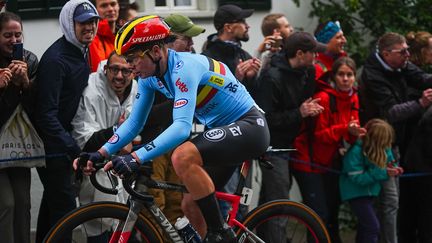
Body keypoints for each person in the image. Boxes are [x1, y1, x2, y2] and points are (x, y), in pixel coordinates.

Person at [75, 15, 270, 243]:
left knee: (182, 156)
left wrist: (135, 158)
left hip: (250, 126)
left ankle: (221, 234)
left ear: (156, 51)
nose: (130, 66)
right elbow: (134, 123)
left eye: (133, 58)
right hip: (224, 131)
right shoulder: (150, 77)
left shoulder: (184, 68)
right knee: (189, 202)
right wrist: (101, 153)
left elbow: (181, 128)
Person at [33, 1, 100, 242]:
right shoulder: (56, 60)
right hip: (53, 150)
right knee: (65, 213)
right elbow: (46, 115)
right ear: (69, 24)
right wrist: (72, 149)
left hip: (65, 144)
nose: (90, 27)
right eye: (83, 22)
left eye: (93, 21)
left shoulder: (80, 50)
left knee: (52, 208)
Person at [359, 32, 432, 243]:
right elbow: (390, 112)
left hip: (394, 143)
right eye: (403, 52)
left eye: (408, 49)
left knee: (392, 202)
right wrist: (421, 104)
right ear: (386, 54)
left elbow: (421, 78)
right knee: (387, 202)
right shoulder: (373, 75)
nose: (408, 55)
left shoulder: (399, 63)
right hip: (376, 145)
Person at [255, 31, 326, 242]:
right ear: (300, 53)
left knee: (270, 198)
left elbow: (304, 102)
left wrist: (309, 111)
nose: (317, 57)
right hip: (273, 146)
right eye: (313, 53)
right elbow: (265, 119)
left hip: (294, 143)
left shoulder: (308, 71)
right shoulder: (271, 77)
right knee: (280, 203)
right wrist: (300, 113)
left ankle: (262, 237)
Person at [292, 56, 366, 243]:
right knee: (318, 215)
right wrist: (345, 129)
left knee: (331, 211)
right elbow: (319, 135)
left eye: (349, 75)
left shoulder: (353, 97)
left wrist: (353, 133)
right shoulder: (324, 98)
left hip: (329, 162)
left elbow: (350, 130)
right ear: (334, 76)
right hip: (308, 161)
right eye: (341, 74)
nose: (346, 79)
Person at [144, 13, 205, 226]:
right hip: (155, 144)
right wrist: (181, 102)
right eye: (186, 39)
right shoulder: (149, 66)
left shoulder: (190, 64)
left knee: (177, 207)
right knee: (156, 206)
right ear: (166, 41)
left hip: (180, 145)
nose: (191, 44)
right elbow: (143, 116)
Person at [71, 51, 137, 242]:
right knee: (97, 226)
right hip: (95, 168)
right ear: (106, 69)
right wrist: (118, 132)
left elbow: (134, 140)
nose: (119, 76)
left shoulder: (136, 89)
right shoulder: (91, 89)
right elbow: (84, 139)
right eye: (114, 69)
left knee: (124, 228)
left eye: (125, 71)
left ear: (133, 72)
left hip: (123, 169)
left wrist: (122, 138)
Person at [0, 12, 39, 243]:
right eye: (7, 35)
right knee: (6, 203)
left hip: (18, 142)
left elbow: (36, 110)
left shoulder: (30, 60)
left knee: (23, 201)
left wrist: (26, 85)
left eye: (18, 34)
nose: (14, 40)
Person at [339, 118, 400, 243]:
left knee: (364, 228)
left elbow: (389, 160)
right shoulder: (355, 152)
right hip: (356, 195)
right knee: (372, 228)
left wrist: (394, 169)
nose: (386, 146)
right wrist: (382, 173)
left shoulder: (381, 148)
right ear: (376, 140)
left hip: (370, 193)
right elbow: (357, 178)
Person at [202, 4, 261, 94]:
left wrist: (250, 78)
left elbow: (255, 97)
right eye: (242, 21)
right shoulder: (207, 59)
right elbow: (210, 97)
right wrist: (236, 80)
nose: (247, 26)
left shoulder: (244, 55)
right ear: (228, 27)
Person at [89, 0, 119, 72]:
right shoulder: (92, 39)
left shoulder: (124, 34)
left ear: (118, 6)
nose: (110, 9)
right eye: (104, 6)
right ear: (94, 9)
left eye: (113, 4)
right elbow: (98, 72)